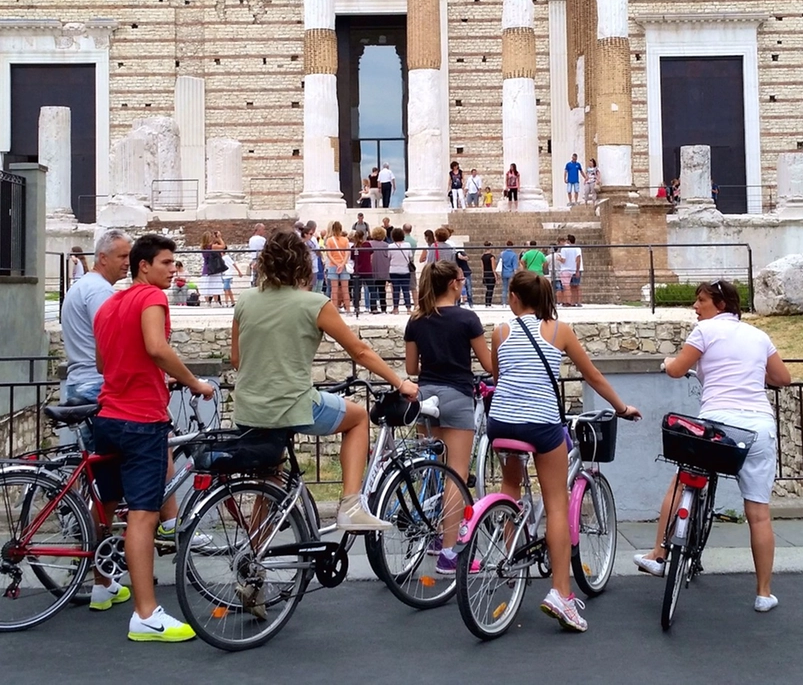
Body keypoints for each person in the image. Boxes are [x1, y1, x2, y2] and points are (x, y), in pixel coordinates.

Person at [231, 230, 418, 530]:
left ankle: (252, 558)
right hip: (292, 405)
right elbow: (359, 351)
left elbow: (237, 360)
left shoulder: (246, 300)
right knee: (357, 418)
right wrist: (400, 383)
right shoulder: (314, 303)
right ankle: (351, 505)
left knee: (269, 480)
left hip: (249, 408)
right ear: (303, 264)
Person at [489, 270, 640, 631]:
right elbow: (593, 376)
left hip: (502, 422)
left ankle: (510, 558)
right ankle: (561, 593)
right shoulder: (560, 331)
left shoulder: (500, 332)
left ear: (514, 298)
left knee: (510, 487)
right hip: (541, 424)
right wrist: (621, 407)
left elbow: (498, 376)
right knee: (556, 502)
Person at [638, 280, 790, 614]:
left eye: (702, 300)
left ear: (720, 305)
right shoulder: (759, 336)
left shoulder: (705, 332)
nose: (696, 306)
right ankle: (764, 592)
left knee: (681, 481)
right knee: (759, 514)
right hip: (757, 428)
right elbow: (783, 378)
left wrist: (666, 363)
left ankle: (658, 554)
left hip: (717, 426)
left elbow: (678, 369)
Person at [90, 233, 215, 642]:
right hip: (141, 418)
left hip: (107, 413)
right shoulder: (152, 300)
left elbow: (102, 361)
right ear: (143, 265)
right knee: (143, 515)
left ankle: (102, 583)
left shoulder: (110, 304)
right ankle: (146, 614)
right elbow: (157, 348)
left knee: (107, 505)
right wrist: (194, 382)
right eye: (166, 263)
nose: (173, 270)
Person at [404, 259, 493, 571]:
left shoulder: (417, 320)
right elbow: (489, 364)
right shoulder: (467, 319)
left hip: (425, 397)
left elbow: (411, 369)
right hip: (457, 396)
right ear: (454, 283)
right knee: (455, 473)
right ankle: (449, 552)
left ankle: (434, 534)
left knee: (434, 470)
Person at [61, 230, 131, 405]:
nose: (128, 263)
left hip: (80, 381)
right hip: (95, 383)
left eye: (129, 257)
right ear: (103, 258)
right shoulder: (100, 290)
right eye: (122, 257)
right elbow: (110, 340)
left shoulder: (83, 285)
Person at [324, 220, 352, 313]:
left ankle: (335, 309)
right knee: (345, 290)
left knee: (334, 290)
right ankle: (348, 309)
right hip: (343, 265)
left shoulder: (329, 240)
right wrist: (342, 264)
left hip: (333, 265)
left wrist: (336, 264)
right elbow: (347, 253)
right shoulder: (345, 240)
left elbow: (329, 254)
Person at [368, 226, 391, 314]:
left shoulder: (369, 244)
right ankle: (383, 307)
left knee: (373, 290)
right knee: (382, 290)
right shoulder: (386, 245)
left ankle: (373, 307)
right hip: (383, 271)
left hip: (372, 270)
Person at [558, 236, 583, 308]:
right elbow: (578, 259)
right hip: (574, 268)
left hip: (566, 269)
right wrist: (577, 269)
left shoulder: (564, 249)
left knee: (567, 286)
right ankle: (576, 301)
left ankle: (568, 301)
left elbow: (564, 260)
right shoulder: (577, 248)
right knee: (576, 286)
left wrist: (559, 259)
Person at [497, 240, 520, 307]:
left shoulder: (502, 254)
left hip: (504, 272)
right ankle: (511, 302)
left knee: (504, 288)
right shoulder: (513, 254)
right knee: (512, 289)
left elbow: (500, 263)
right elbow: (515, 266)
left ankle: (504, 303)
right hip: (511, 273)